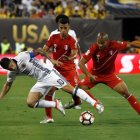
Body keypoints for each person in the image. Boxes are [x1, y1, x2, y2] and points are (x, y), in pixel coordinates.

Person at [0, 49, 104, 121]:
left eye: (11, 65)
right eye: (9, 68)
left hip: (49, 74)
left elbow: (39, 50)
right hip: (41, 81)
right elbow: (7, 85)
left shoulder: (22, 56)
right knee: (30, 102)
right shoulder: (11, 72)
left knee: (70, 90)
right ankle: (56, 104)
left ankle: (96, 104)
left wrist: (51, 60)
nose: (12, 68)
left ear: (11, 60)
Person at [78, 32, 140, 115]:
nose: (99, 45)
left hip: (109, 76)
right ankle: (94, 102)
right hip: (95, 75)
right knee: (77, 89)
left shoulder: (114, 45)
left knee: (126, 93)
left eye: (102, 43)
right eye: (98, 42)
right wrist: (88, 75)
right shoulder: (93, 48)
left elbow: (131, 44)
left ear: (107, 41)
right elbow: (81, 63)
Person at [41, 15, 82, 123]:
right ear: (58, 27)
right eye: (61, 28)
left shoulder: (72, 39)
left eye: (65, 28)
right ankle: (49, 117)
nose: (63, 30)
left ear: (69, 27)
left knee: (75, 91)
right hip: (56, 70)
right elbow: (43, 50)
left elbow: (74, 54)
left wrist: (69, 57)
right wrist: (51, 60)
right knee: (49, 92)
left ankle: (79, 102)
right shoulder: (53, 37)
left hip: (69, 69)